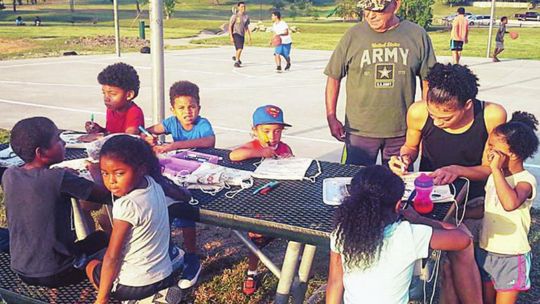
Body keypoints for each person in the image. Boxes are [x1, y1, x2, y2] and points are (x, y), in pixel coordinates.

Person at [326, 165, 482, 304]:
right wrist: (420, 219)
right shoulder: (407, 234)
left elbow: (335, 281)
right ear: (398, 205)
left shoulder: (342, 231)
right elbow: (463, 239)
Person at [324, 0, 436, 166]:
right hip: (359, 130)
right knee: (354, 182)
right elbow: (333, 77)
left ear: (396, 5)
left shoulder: (417, 35)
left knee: (397, 183)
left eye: (377, 10)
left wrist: (427, 118)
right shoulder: (353, 36)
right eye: (366, 10)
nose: (370, 15)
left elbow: (428, 80)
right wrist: (331, 117)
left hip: (402, 130)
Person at [2, 117, 110, 288]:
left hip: (21, 267)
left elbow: (40, 182)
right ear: (41, 152)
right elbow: (104, 194)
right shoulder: (58, 178)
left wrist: (59, 173)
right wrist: (96, 170)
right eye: (58, 140)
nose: (64, 143)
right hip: (58, 271)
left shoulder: (10, 175)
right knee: (106, 238)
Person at [85, 136, 182, 302]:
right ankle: (154, 296)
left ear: (141, 169)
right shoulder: (153, 183)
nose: (111, 181)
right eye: (105, 173)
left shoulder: (128, 205)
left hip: (134, 285)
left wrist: (102, 298)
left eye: (119, 173)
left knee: (90, 266)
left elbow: (112, 257)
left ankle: (134, 300)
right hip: (164, 275)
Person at [389, 63, 507, 200]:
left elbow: (490, 168)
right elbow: (410, 147)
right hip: (429, 193)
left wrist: (456, 171)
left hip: (474, 197)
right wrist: (404, 158)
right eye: (432, 115)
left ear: (467, 105)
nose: (437, 123)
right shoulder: (417, 112)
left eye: (446, 118)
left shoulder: (491, 115)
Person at [142, 80, 214, 289]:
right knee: (166, 209)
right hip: (180, 176)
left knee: (186, 214)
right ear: (173, 110)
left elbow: (209, 141)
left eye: (191, 107)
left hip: (202, 177)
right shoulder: (171, 123)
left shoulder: (202, 124)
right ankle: (172, 252)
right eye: (181, 108)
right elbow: (149, 130)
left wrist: (174, 145)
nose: (187, 112)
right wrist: (148, 137)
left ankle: (192, 257)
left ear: (199, 108)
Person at [229, 105, 292, 295]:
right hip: (257, 205)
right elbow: (234, 155)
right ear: (254, 130)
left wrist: (289, 160)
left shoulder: (284, 147)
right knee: (255, 241)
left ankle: (293, 265)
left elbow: (292, 162)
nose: (272, 136)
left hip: (278, 202)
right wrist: (261, 153)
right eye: (266, 131)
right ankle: (252, 271)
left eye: (277, 131)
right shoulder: (254, 146)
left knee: (295, 234)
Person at [476, 112, 538, 304]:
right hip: (486, 248)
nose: (488, 150)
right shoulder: (495, 177)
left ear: (512, 154)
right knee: (488, 299)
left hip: (511, 255)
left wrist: (495, 169)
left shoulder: (525, 181)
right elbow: (490, 207)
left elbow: (509, 204)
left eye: (493, 147)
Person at [85, 62, 144, 136]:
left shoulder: (134, 112)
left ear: (129, 95)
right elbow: (111, 133)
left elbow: (128, 138)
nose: (106, 98)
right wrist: (99, 130)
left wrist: (101, 137)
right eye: (104, 93)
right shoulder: (111, 109)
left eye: (112, 94)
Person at [229, 1, 251, 68]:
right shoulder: (235, 16)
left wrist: (249, 36)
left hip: (242, 34)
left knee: (238, 48)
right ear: (238, 7)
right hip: (236, 33)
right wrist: (231, 36)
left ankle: (236, 57)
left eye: (244, 6)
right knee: (240, 48)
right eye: (241, 6)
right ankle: (237, 62)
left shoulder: (246, 17)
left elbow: (246, 27)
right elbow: (230, 26)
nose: (243, 8)